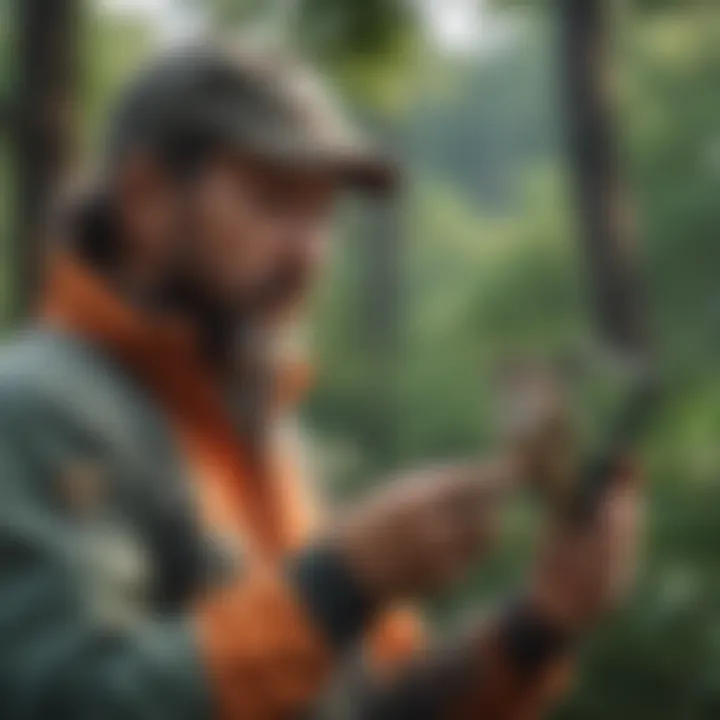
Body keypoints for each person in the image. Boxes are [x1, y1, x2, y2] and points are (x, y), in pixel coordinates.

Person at [0, 41, 641, 719]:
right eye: (272, 201)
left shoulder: (259, 422)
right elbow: (67, 701)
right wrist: (341, 582)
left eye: (321, 215)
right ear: (145, 199)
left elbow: (369, 706)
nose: (308, 253)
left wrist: (540, 626)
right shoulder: (38, 408)